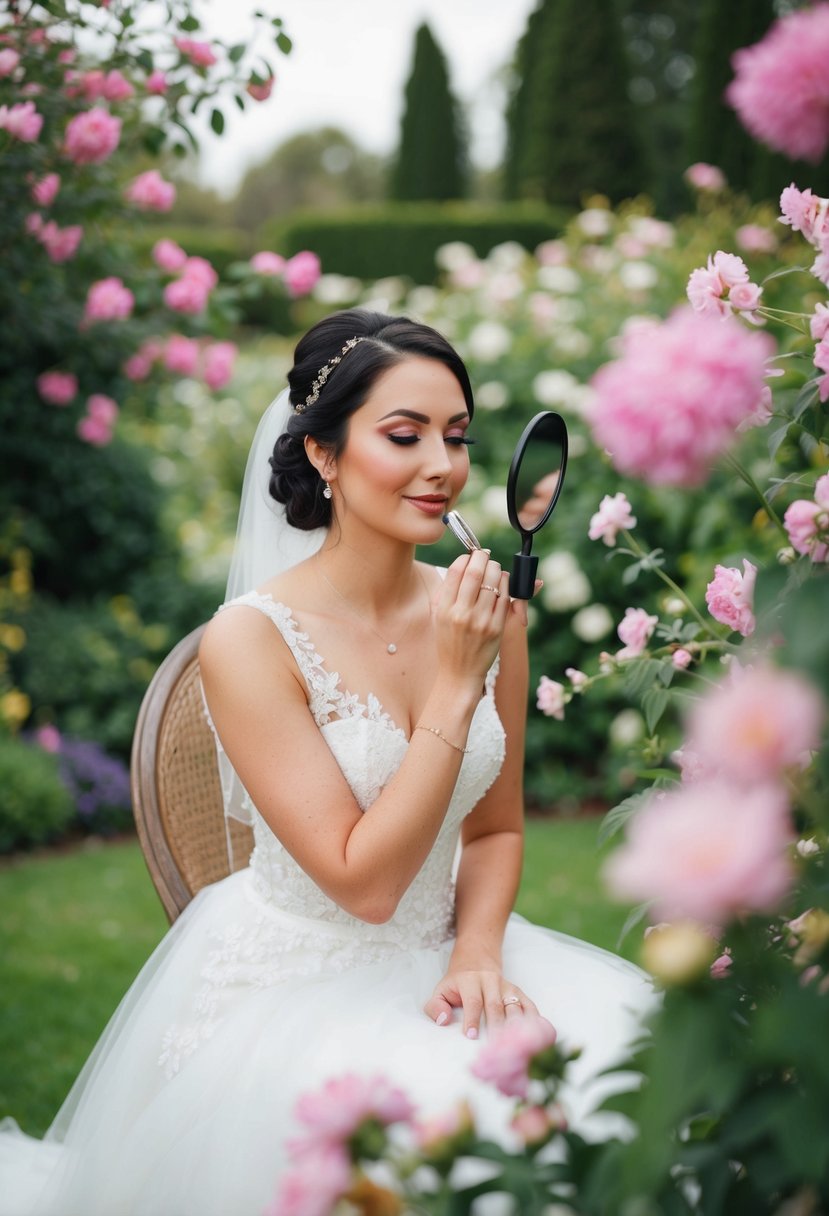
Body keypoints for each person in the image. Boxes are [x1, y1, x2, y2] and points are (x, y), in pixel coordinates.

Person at [0, 309, 653, 1216]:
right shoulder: (250, 641)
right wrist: (455, 691)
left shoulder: (485, 614)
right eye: (403, 435)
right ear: (323, 455)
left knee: (626, 1105)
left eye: (456, 436)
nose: (442, 465)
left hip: (452, 960)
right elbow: (366, 885)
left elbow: (497, 826)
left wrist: (472, 953)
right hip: (301, 990)